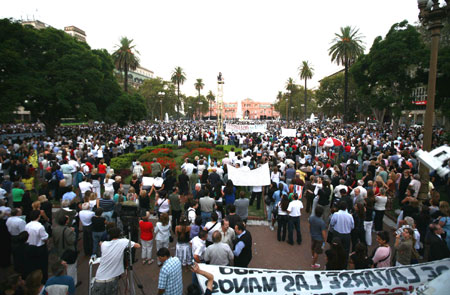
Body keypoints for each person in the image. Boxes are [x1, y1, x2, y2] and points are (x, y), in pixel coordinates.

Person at [92, 227, 141, 295]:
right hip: (112, 279)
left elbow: (100, 243)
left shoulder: (104, 244)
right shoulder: (123, 241)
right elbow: (138, 246)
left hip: (99, 278)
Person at [52, 214, 78, 285]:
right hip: (69, 251)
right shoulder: (68, 230)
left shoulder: (54, 229)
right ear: (66, 222)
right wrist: (73, 232)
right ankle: (72, 283)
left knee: (63, 266)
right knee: (71, 268)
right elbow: (72, 241)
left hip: (60, 251)